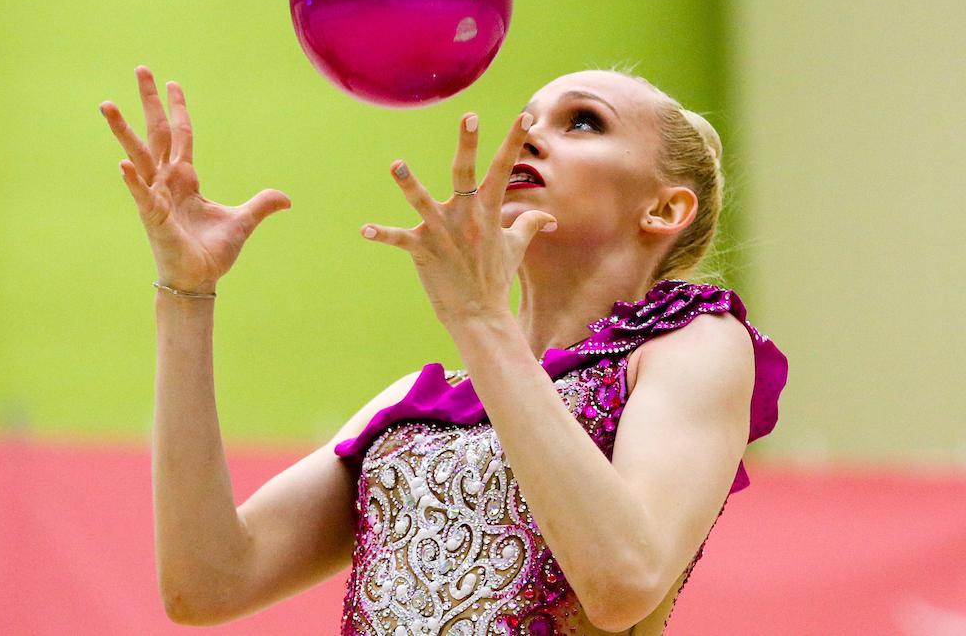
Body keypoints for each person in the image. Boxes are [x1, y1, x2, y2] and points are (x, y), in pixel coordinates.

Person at [99, 65, 788, 635]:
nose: (528, 136)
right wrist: (185, 295)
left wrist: (480, 319)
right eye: (527, 118)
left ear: (664, 210)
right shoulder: (419, 407)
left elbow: (623, 583)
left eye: (583, 121)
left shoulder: (693, 346)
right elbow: (208, 582)